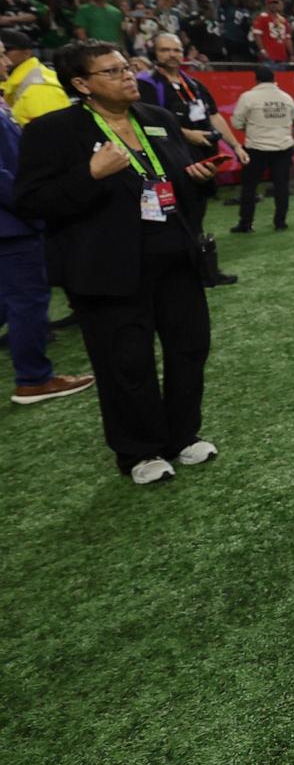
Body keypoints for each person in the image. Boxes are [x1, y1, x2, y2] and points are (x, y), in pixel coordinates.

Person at [13, 41, 219, 483]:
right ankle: (139, 451)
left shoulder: (159, 119)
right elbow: (31, 200)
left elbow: (173, 186)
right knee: (126, 362)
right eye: (112, 71)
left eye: (127, 67)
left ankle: (183, 436)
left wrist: (197, 181)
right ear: (81, 84)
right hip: (107, 271)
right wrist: (88, 174)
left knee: (189, 349)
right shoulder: (52, 131)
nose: (128, 76)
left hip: (176, 261)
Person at [0, 59, 94, 405]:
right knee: (27, 300)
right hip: (12, 225)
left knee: (9, 297)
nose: (7, 61)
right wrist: (35, 207)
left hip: (12, 222)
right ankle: (33, 380)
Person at [138, 33, 248, 265]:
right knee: (165, 217)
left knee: (197, 211)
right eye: (165, 50)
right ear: (154, 53)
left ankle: (201, 266)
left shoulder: (194, 84)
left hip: (200, 159)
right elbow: (146, 123)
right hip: (166, 162)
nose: (172, 55)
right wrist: (188, 134)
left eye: (176, 50)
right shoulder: (147, 84)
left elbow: (214, 116)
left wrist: (236, 145)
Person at [230, 66, 294, 233]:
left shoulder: (248, 97)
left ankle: (245, 223)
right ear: (274, 79)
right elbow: (293, 120)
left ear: (256, 79)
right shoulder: (287, 98)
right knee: (281, 186)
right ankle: (280, 222)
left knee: (250, 187)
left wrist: (254, 128)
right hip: (283, 147)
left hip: (256, 148)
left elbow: (237, 123)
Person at [0, 29, 70, 126]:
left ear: (26, 53)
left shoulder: (41, 87)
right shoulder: (16, 82)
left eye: (6, 52)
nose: (7, 61)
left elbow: (53, 134)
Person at [250, 0, 291, 65]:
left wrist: (291, 54)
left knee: (282, 76)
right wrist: (262, 50)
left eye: (275, 3)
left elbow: (287, 39)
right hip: (268, 56)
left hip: (282, 56)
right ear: (267, 5)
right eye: (271, 3)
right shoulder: (262, 17)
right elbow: (257, 35)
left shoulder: (283, 20)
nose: (273, 5)